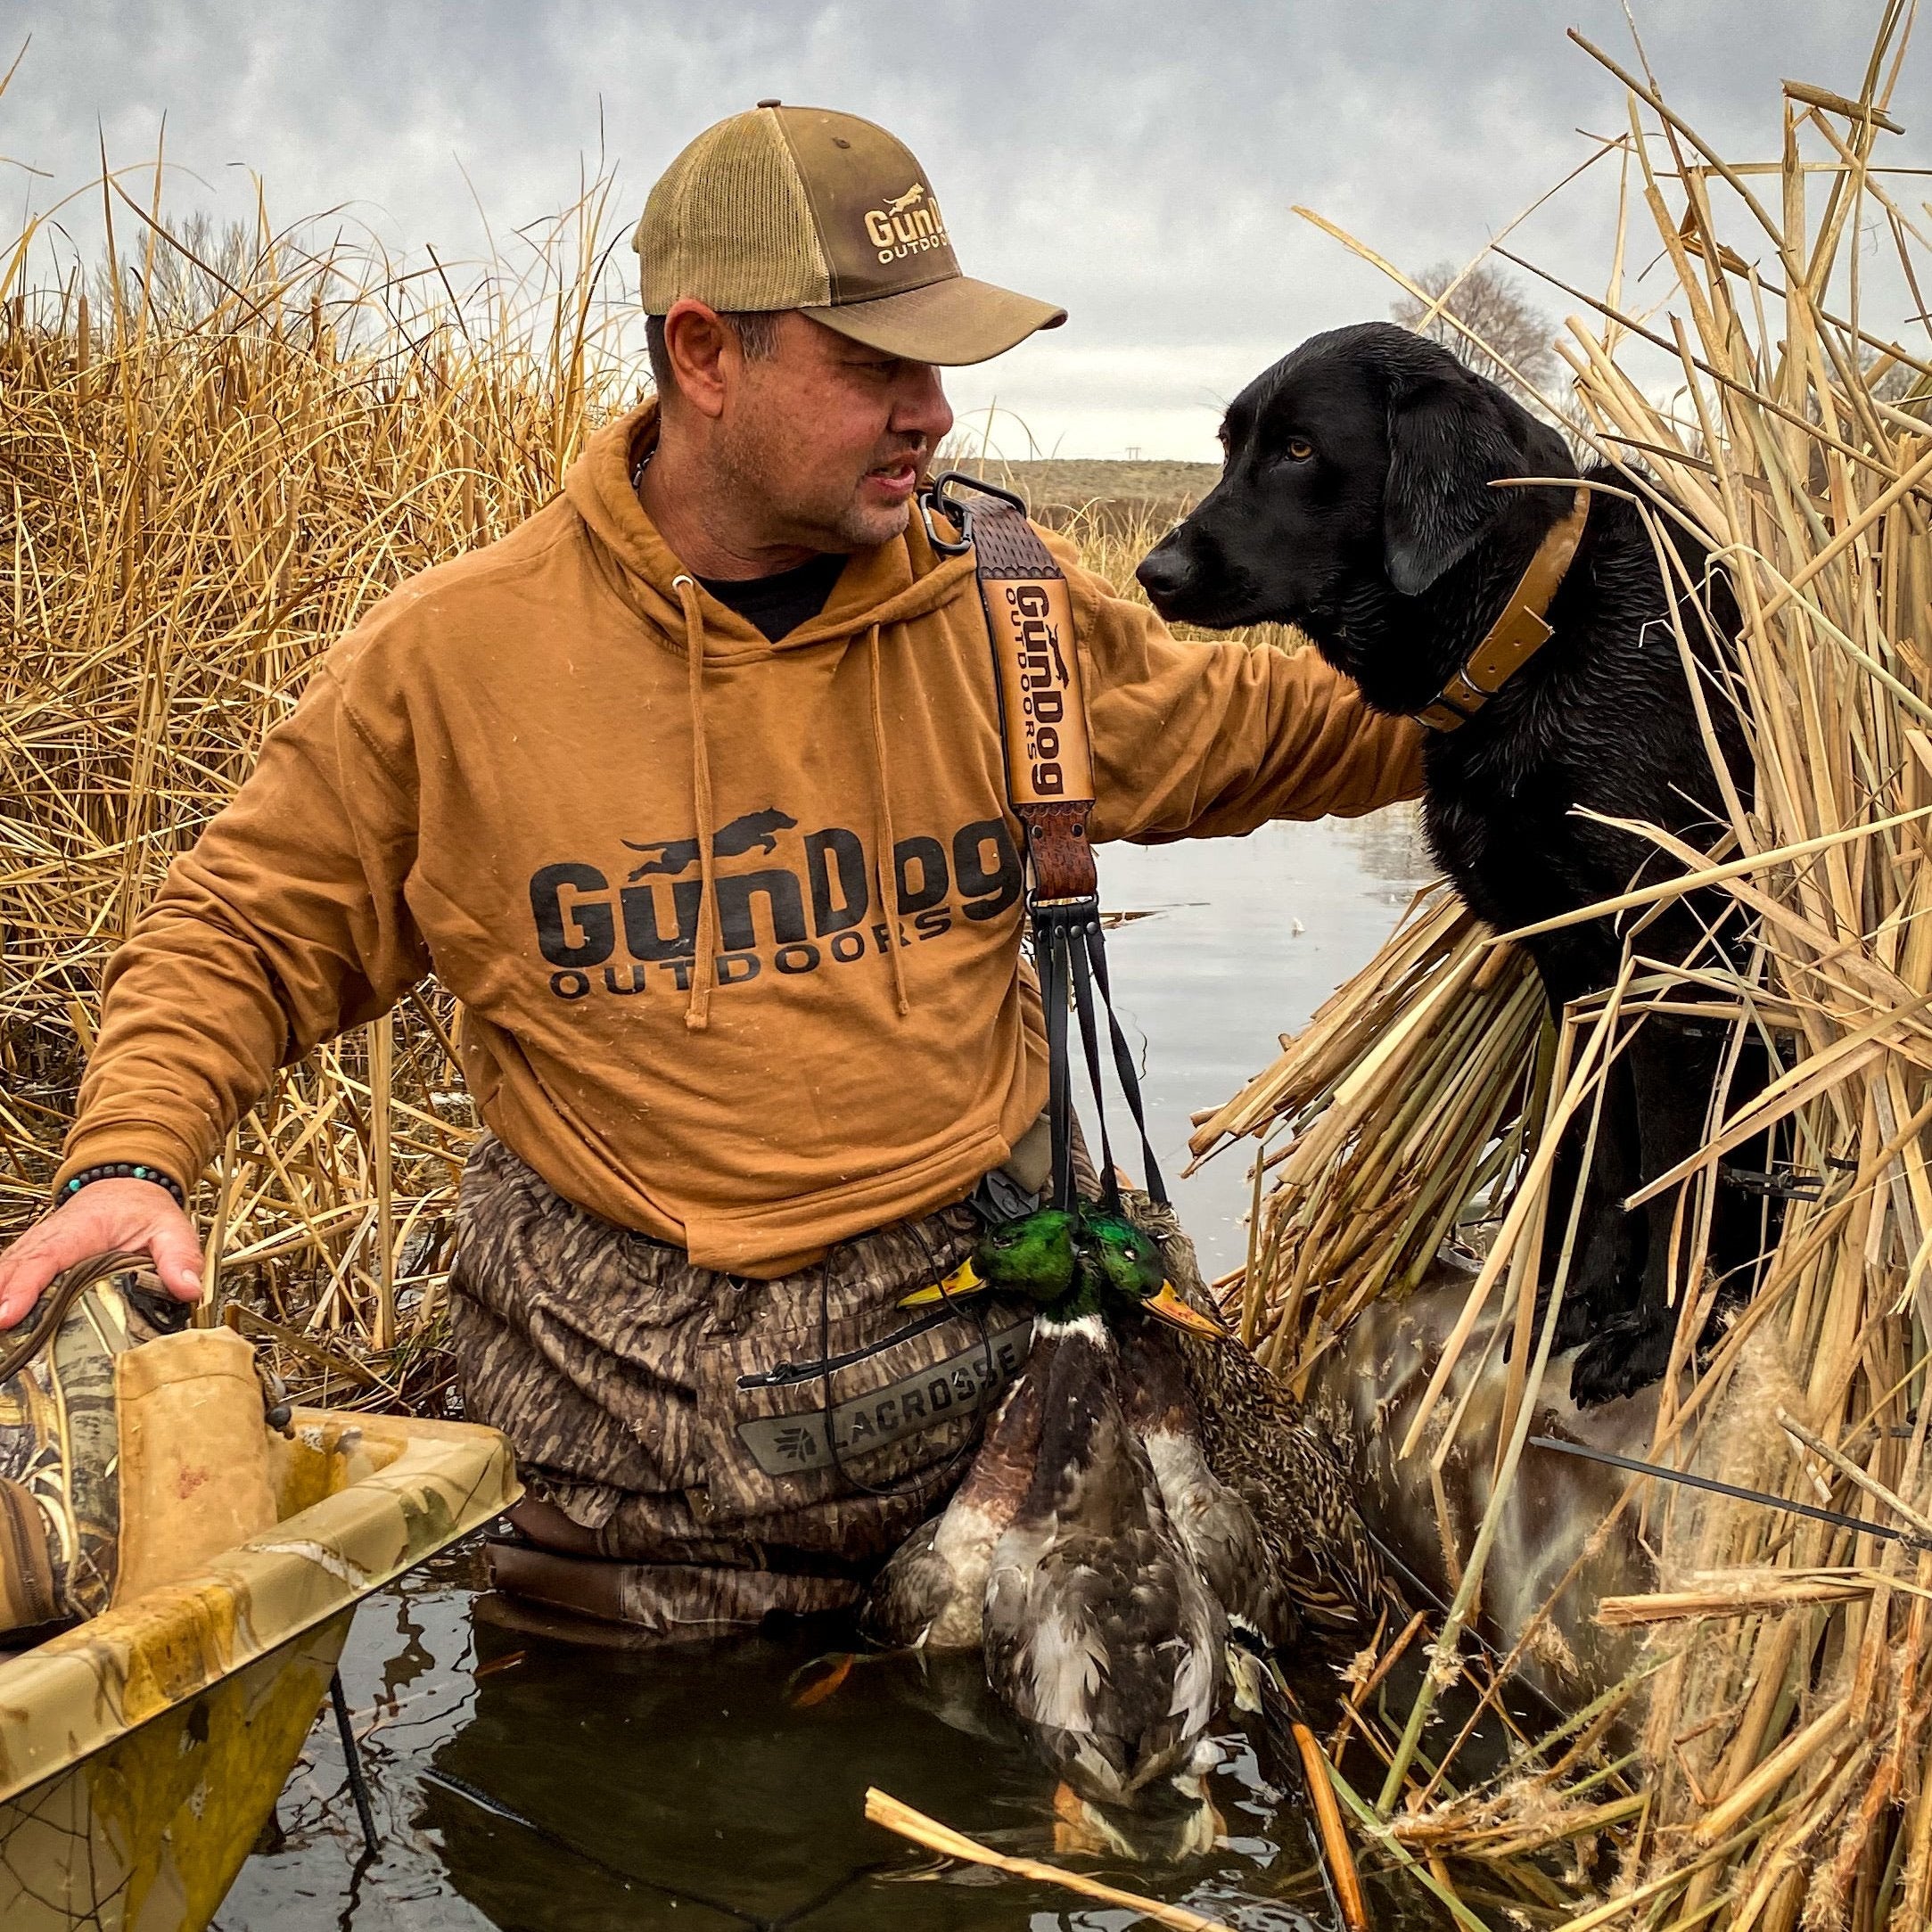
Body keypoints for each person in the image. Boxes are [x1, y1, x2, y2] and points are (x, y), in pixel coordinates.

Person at [0, 103, 1422, 1636]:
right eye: (875, 366)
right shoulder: (456, 661)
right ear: (703, 354)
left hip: (998, 1428)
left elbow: (1275, 724)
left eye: (937, 366)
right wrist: (129, 1164)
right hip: (633, 1491)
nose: (933, 412)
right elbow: (242, 930)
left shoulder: (1004, 611)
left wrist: (1534, 662)